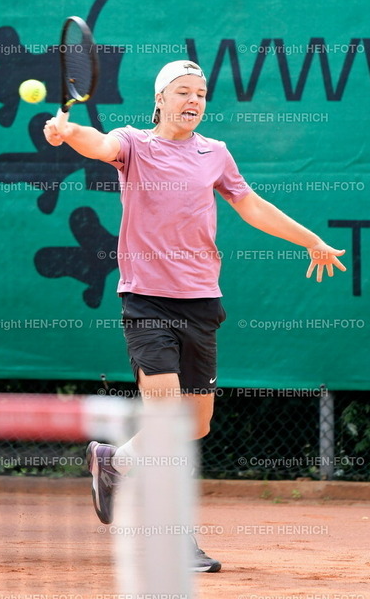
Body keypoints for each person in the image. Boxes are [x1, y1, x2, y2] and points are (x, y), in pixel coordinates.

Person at [43, 60, 346, 573]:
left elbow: (250, 205)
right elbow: (98, 143)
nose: (194, 101)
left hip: (202, 302)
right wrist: (67, 130)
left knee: (195, 422)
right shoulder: (134, 143)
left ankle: (114, 461)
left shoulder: (216, 154)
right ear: (160, 99)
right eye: (183, 92)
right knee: (165, 421)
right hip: (146, 301)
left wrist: (311, 240)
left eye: (201, 93)